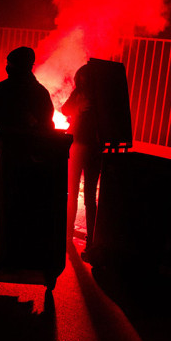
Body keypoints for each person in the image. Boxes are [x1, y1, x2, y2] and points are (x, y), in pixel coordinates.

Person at [61, 64, 102, 260]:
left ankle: (90, 241)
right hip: (78, 146)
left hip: (92, 148)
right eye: (81, 78)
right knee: (72, 192)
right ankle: (68, 235)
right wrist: (78, 107)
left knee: (88, 197)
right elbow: (64, 108)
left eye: (86, 78)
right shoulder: (79, 93)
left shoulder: (99, 97)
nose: (82, 81)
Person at [0, 46, 54, 137]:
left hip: (6, 146)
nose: (7, 67)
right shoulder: (41, 92)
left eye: (10, 64)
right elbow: (48, 126)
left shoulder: (2, 88)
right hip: (33, 147)